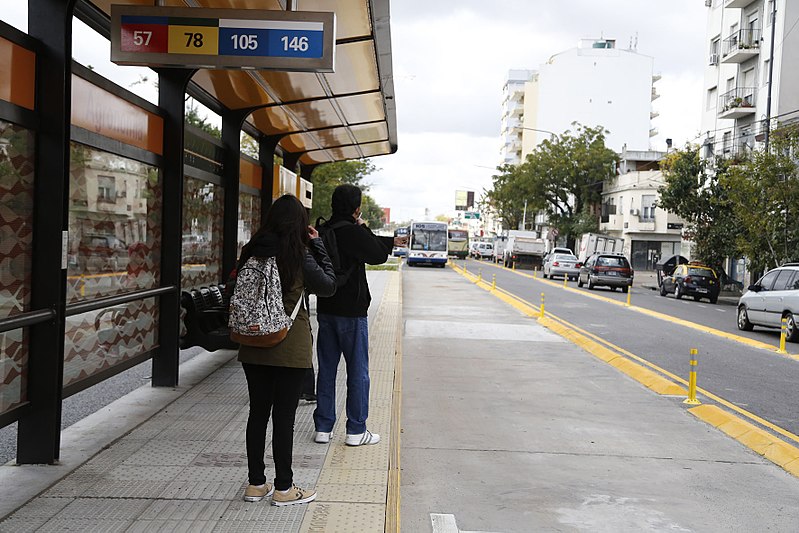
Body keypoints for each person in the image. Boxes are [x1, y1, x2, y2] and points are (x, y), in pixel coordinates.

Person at [238, 194, 336, 506]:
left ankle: (256, 483)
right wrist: (318, 244)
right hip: (288, 346)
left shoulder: (251, 251)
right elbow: (329, 285)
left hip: (253, 344)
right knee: (284, 418)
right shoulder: (299, 254)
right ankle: (284, 488)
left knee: (257, 413)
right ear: (301, 224)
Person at [313, 184, 407, 446]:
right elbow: (376, 254)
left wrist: (389, 240)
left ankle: (323, 427)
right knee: (358, 371)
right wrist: (363, 225)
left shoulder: (323, 230)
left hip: (326, 308)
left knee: (327, 369)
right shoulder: (354, 231)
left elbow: (371, 246)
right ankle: (356, 430)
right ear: (356, 209)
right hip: (352, 313)